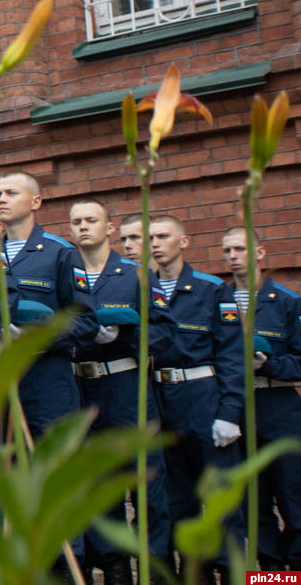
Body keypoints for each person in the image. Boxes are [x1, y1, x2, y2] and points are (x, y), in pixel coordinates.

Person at [68, 197, 171, 580]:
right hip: (80, 385)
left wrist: (125, 337)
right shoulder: (68, 273)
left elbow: (163, 334)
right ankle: (114, 568)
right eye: (76, 221)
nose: (83, 227)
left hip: (125, 382)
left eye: (91, 220)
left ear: (109, 228)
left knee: (146, 480)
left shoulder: (137, 274)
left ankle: (154, 566)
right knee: (99, 483)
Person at [150, 214, 245, 574]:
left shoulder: (212, 289)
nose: (155, 243)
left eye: (163, 236)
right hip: (162, 400)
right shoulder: (143, 288)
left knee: (223, 506)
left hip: (203, 398)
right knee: (179, 505)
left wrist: (229, 412)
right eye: (151, 237)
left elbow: (233, 355)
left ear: (184, 242)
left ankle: (238, 576)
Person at [0, 173, 95, 438]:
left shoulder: (60, 253)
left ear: (36, 201)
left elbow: (85, 322)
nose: (2, 199)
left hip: (45, 373)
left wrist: (37, 336)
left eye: (11, 193)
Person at [223, 228, 301, 569]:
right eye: (227, 250)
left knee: (293, 495)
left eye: (240, 248)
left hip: (278, 405)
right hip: (236, 408)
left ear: (259, 253)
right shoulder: (216, 300)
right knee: (252, 505)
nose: (233, 256)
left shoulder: (286, 301)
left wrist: (271, 365)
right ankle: (270, 574)